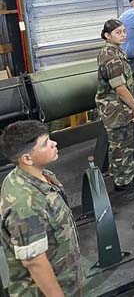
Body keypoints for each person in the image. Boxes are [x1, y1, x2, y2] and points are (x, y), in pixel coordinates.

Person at [0, 120, 83, 297]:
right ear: (27, 158)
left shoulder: (41, 175)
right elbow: (35, 263)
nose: (54, 143)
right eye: (45, 144)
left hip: (65, 276)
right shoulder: (24, 204)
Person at [95, 19, 134, 190]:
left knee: (117, 145)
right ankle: (124, 183)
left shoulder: (114, 51)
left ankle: (120, 175)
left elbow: (124, 82)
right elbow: (120, 88)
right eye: (118, 32)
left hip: (115, 107)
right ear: (107, 35)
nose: (123, 35)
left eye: (124, 31)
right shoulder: (111, 57)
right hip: (116, 109)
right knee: (123, 146)